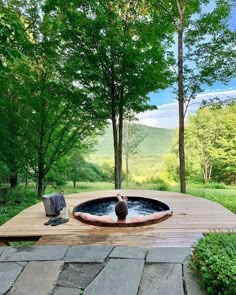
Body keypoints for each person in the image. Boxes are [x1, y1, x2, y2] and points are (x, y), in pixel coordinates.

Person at [73, 193, 173, 224]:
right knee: (122, 204)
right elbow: (154, 215)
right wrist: (167, 212)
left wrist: (78, 213)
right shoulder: (134, 219)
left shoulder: (109, 219)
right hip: (126, 217)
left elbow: (89, 217)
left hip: (116, 217)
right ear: (128, 212)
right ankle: (122, 200)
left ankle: (121, 200)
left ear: (114, 212)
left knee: (121, 203)